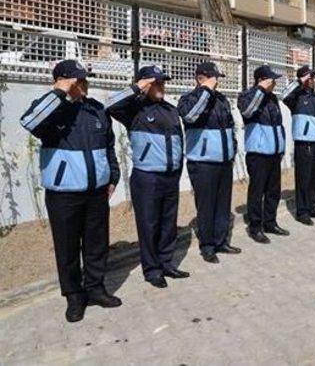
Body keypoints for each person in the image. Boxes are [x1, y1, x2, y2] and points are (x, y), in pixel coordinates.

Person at [20, 60, 121, 323]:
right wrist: (59, 91)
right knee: (67, 248)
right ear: (65, 81)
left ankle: (96, 289)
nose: (84, 84)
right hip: (64, 194)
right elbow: (29, 121)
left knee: (97, 244)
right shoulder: (51, 110)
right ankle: (74, 297)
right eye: (79, 80)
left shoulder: (96, 110)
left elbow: (109, 146)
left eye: (85, 79)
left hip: (96, 192)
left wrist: (113, 175)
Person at [107, 65, 190, 288]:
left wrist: (177, 170)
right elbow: (110, 105)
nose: (162, 86)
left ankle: (166, 263)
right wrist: (137, 87)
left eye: (163, 82)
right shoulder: (133, 109)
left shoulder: (171, 110)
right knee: (149, 224)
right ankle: (152, 270)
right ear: (146, 85)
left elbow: (178, 142)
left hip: (170, 176)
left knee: (167, 224)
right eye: (157, 83)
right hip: (147, 178)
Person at [177, 62, 241, 265]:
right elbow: (191, 115)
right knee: (206, 206)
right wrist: (205, 91)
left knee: (223, 204)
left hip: (223, 161)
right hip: (202, 163)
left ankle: (221, 241)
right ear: (201, 78)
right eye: (214, 78)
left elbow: (230, 126)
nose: (217, 82)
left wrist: (232, 150)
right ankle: (207, 246)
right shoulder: (188, 99)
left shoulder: (221, 100)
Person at [237, 65, 290, 244]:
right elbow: (247, 111)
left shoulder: (273, 99)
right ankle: (255, 227)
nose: (274, 83)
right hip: (258, 154)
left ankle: (270, 222)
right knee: (257, 192)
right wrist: (260, 90)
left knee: (273, 191)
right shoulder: (247, 96)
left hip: (274, 153)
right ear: (261, 80)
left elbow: (278, 125)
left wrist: (281, 147)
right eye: (271, 80)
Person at [282, 65, 315, 225]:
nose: (313, 80)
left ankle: (313, 207)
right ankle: (302, 211)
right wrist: (299, 82)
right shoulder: (296, 97)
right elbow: (284, 95)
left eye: (313, 78)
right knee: (304, 178)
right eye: (310, 77)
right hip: (304, 143)